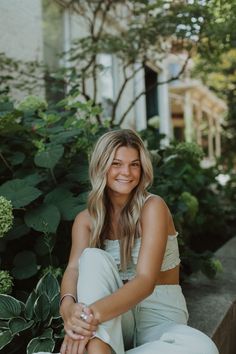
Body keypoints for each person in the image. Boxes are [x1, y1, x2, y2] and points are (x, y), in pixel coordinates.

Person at [59, 129, 219, 354]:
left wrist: (88, 317)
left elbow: (145, 280)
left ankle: (100, 350)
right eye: (116, 163)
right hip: (113, 318)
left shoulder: (152, 207)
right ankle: (99, 348)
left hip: (158, 317)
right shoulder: (86, 220)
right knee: (92, 258)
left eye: (134, 164)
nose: (126, 172)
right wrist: (68, 308)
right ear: (101, 166)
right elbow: (73, 268)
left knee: (204, 349)